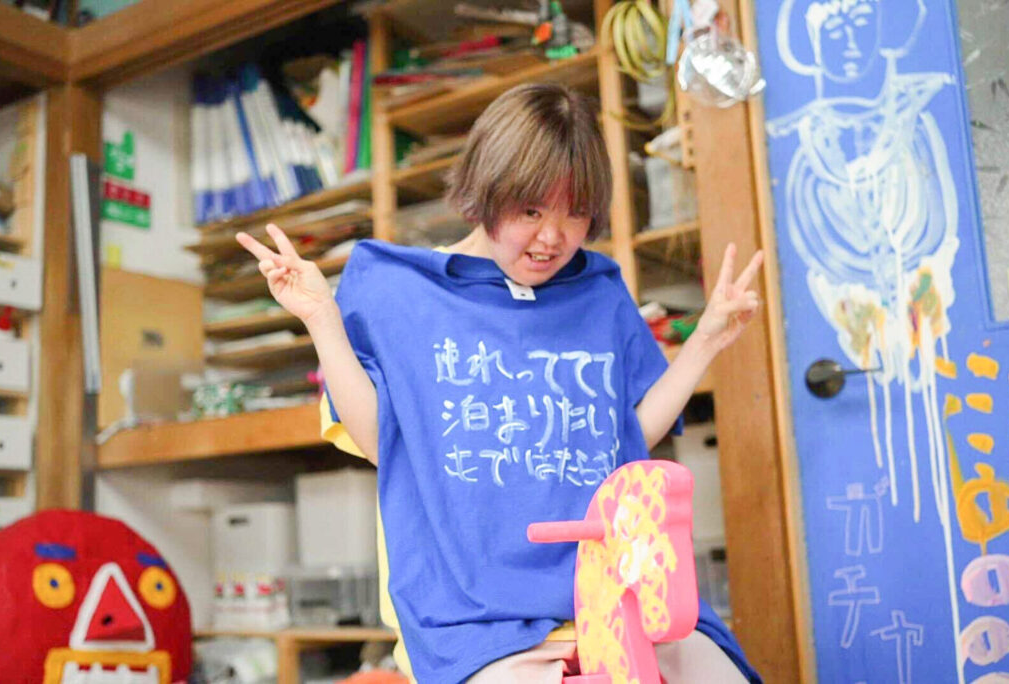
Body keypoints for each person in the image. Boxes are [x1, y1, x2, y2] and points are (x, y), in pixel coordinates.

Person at [237, 82, 763, 683]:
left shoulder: (597, 292)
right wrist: (322, 321)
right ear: (485, 190)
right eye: (531, 211)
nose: (553, 237)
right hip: (475, 621)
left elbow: (627, 436)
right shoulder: (396, 290)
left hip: (619, 590)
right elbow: (385, 443)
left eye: (575, 213)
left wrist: (705, 341)